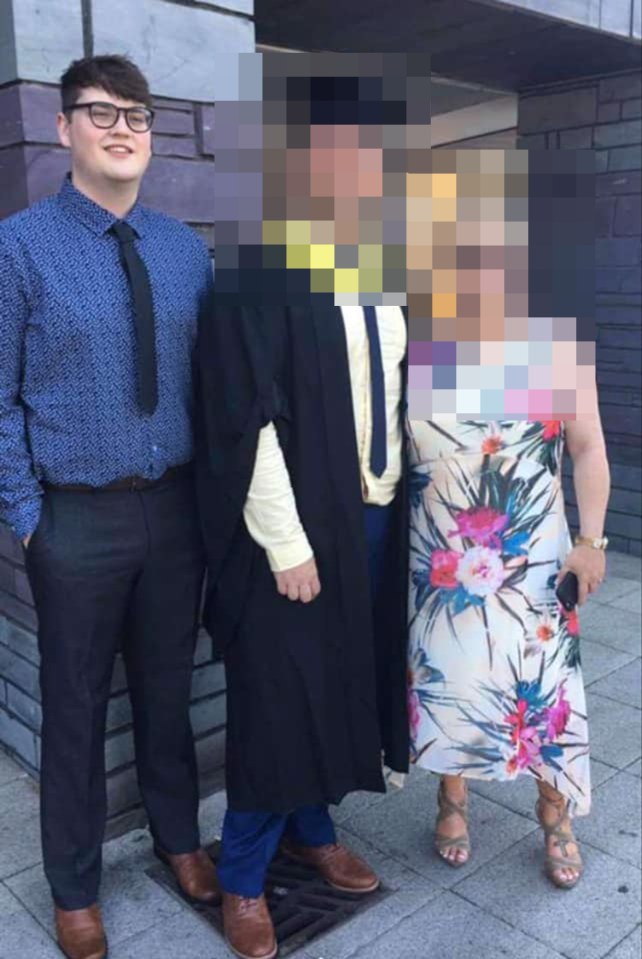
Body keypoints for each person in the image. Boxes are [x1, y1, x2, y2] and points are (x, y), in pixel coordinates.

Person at [0, 55, 218, 959]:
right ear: (64, 128)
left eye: (136, 114)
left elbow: (217, 386)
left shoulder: (185, 248)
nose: (122, 127)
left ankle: (177, 839)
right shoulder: (17, 248)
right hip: (74, 521)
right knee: (77, 704)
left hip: (174, 512)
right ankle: (75, 885)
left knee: (168, 692)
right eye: (100, 113)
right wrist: (29, 518)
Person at [196, 74, 411, 959]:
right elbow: (243, 415)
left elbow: (396, 395)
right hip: (289, 532)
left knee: (337, 678)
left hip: (373, 517)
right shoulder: (256, 270)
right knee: (278, 695)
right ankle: (245, 877)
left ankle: (314, 829)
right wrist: (285, 540)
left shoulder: (382, 267)